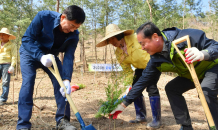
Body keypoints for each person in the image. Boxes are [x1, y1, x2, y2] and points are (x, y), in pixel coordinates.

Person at [110, 22, 218, 130]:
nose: (142, 48)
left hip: (212, 68)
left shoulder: (185, 37)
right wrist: (123, 104)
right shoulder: (155, 60)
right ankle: (186, 127)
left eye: (143, 44)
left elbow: (215, 46)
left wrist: (203, 54)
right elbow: (142, 81)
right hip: (191, 74)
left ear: (155, 37)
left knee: (205, 92)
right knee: (172, 88)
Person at [16, 5, 85, 130]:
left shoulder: (74, 35)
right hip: (30, 53)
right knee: (28, 81)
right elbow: (26, 39)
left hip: (51, 57)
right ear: (63, 17)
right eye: (72, 25)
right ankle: (23, 125)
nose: (73, 30)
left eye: (76, 27)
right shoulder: (44, 16)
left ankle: (63, 121)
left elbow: (69, 57)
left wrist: (67, 79)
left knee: (61, 85)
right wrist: (40, 56)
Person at [96, 24, 161, 128]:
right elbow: (126, 70)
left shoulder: (136, 38)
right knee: (135, 88)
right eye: (109, 41)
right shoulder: (118, 52)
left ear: (119, 35)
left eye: (112, 39)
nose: (111, 42)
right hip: (139, 68)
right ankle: (141, 116)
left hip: (153, 64)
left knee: (151, 87)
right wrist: (128, 85)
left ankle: (156, 120)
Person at [0, 28, 17, 105]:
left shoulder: (12, 45)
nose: (1, 36)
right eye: (0, 34)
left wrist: (12, 66)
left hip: (7, 65)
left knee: (5, 82)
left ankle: (3, 99)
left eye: (3, 35)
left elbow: (14, 56)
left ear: (8, 36)